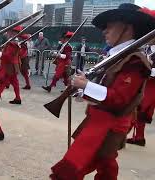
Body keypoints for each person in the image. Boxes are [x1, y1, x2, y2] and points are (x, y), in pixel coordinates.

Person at [49, 4, 155, 180]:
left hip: (108, 125)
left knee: (69, 172)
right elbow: (107, 87)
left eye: (110, 25)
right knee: (106, 166)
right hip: (99, 121)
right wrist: (84, 88)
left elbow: (120, 99)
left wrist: (86, 86)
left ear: (127, 28)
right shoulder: (119, 56)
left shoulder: (134, 61)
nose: (105, 31)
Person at [127, 44, 155, 146]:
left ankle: (122, 134)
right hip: (146, 82)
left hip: (152, 84)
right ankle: (139, 137)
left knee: (141, 108)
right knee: (140, 110)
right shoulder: (147, 48)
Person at [0, 25, 23, 104]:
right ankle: (18, 98)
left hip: (9, 66)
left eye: (9, 31)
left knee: (2, 82)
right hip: (12, 65)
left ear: (13, 32)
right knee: (15, 82)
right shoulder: (13, 42)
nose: (7, 33)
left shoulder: (13, 43)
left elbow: (7, 56)